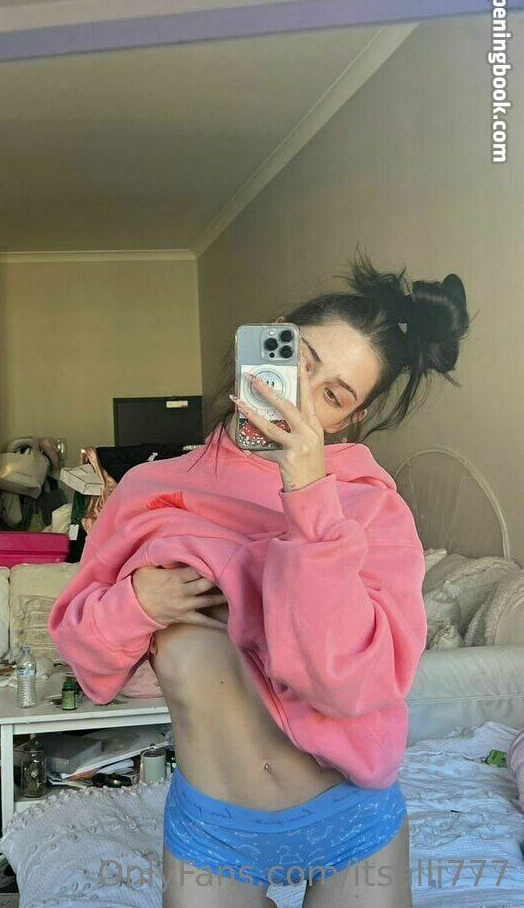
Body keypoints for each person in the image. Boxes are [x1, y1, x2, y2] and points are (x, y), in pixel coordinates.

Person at [47, 250, 471, 906]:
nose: (298, 394)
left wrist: (309, 497)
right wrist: (137, 603)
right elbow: (86, 660)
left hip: (350, 814)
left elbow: (349, 684)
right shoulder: (149, 490)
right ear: (268, 341)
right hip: (214, 829)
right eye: (300, 361)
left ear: (347, 420)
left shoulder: (369, 508)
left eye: (332, 394)